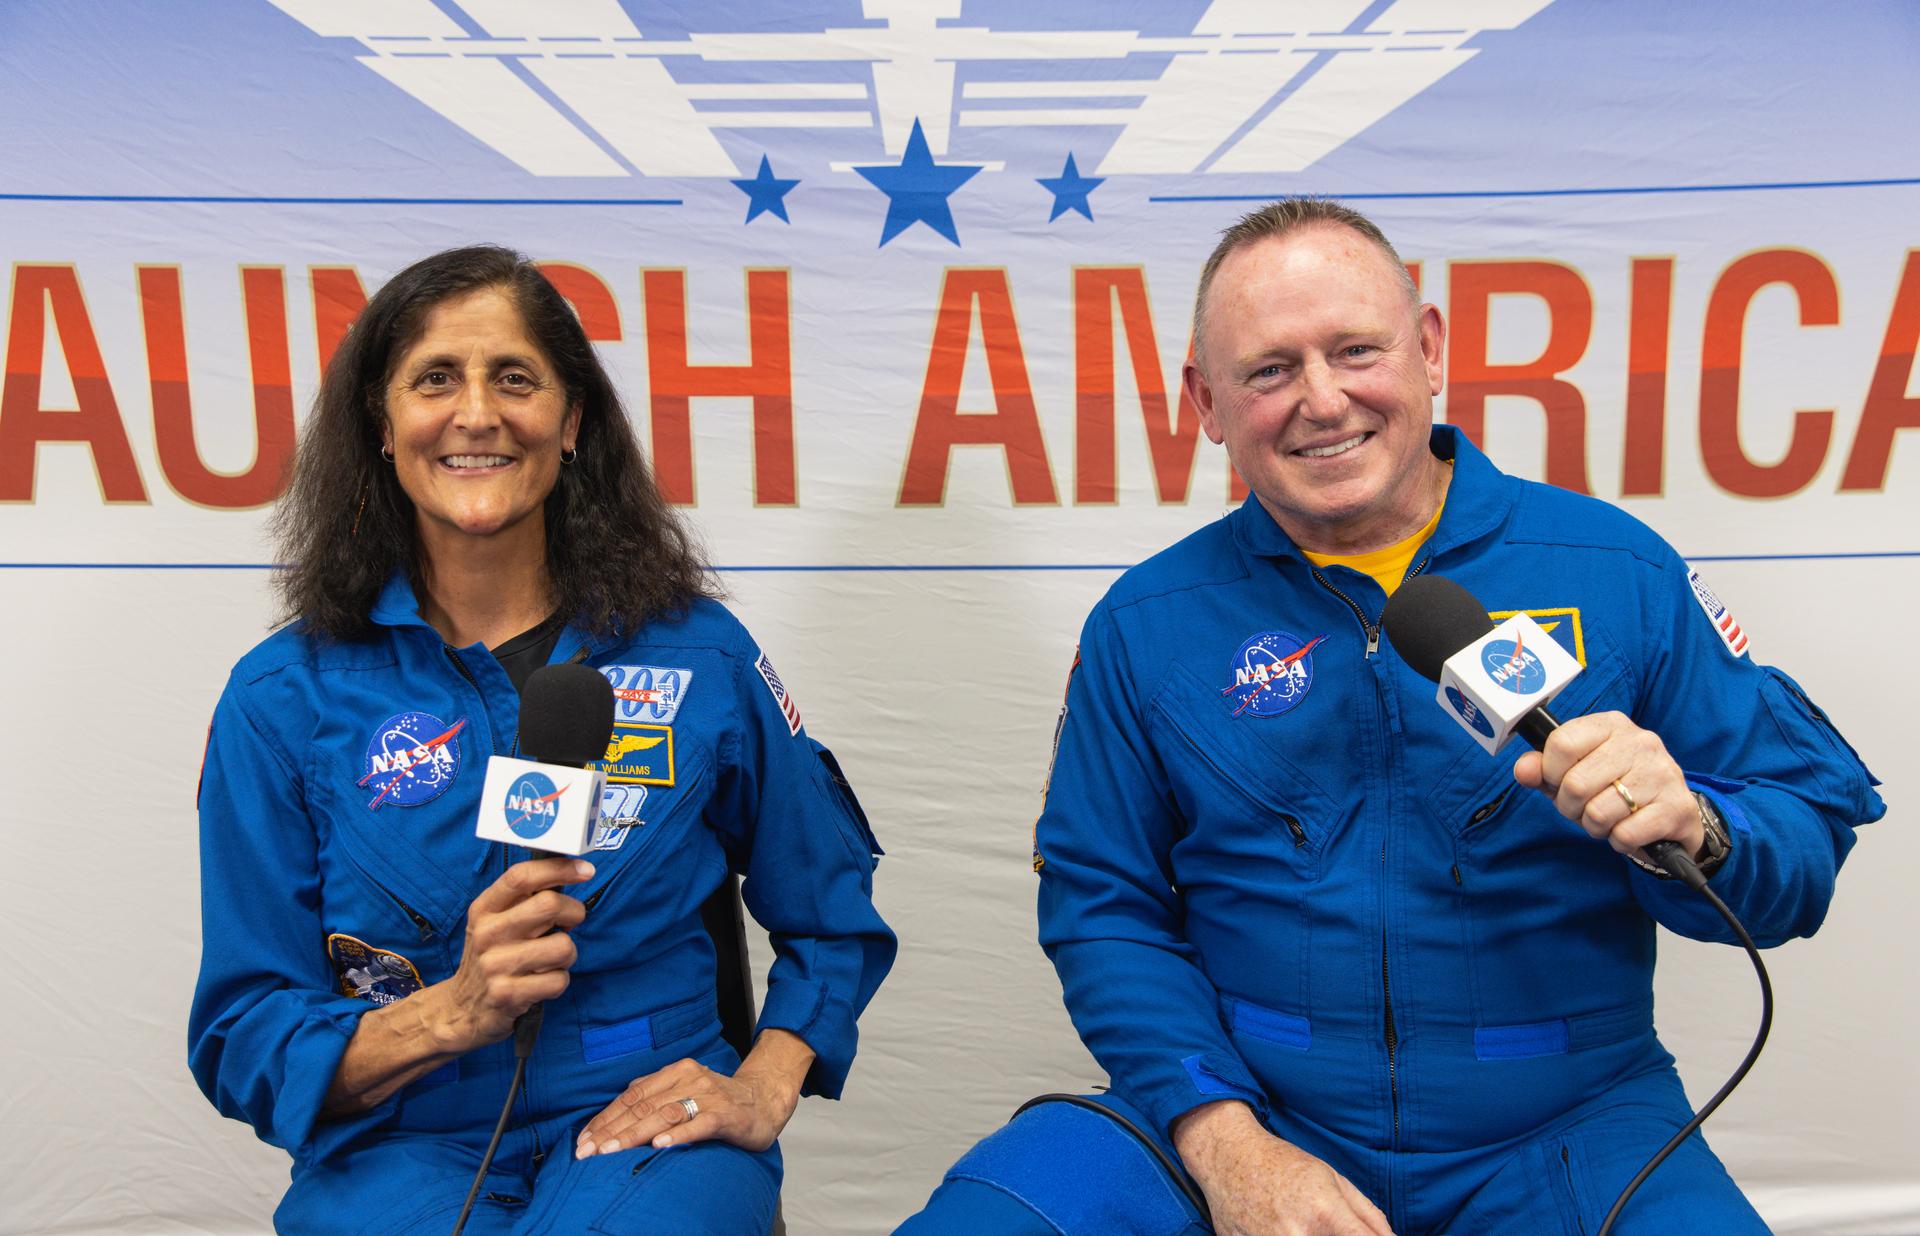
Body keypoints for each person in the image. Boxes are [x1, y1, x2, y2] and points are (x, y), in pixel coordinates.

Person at [897, 199, 1883, 1235]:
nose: (1322, 401)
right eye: (1270, 370)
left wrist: (1702, 831)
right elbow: (1103, 907)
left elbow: (1803, 835)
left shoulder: (1615, 571)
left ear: (1428, 350)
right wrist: (1228, 1147)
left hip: (1572, 1122)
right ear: (1206, 401)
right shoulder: (1147, 625)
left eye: (1356, 350)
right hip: (1246, 1108)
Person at [188, 246, 895, 1234]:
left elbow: (832, 913)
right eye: (436, 379)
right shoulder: (283, 697)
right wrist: (453, 1012)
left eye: (513, 378)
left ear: (570, 425)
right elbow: (243, 1036)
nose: (476, 412)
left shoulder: (700, 657)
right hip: (400, 1141)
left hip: (642, 1122)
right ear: (381, 430)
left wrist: (766, 1082)